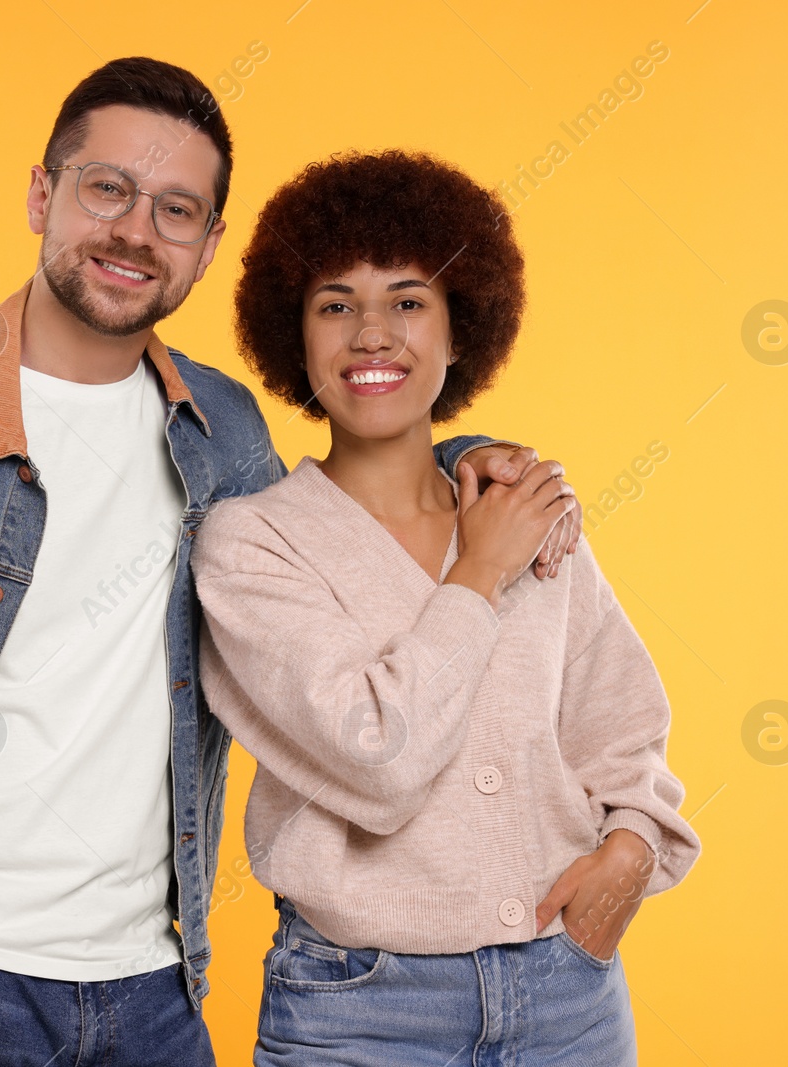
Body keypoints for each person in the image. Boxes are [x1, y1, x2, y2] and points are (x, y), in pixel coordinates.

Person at [0, 61, 580, 1065]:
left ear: (206, 248)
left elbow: (341, 512)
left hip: (152, 993)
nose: (133, 230)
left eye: (175, 209)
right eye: (105, 189)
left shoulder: (223, 431)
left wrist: (468, 464)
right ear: (42, 195)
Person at [191, 149, 702, 1066]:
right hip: (359, 1010)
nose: (372, 332)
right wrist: (478, 574)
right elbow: (376, 755)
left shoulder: (528, 509)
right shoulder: (251, 544)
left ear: (461, 330)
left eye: (409, 300)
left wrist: (631, 848)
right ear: (295, 337)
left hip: (569, 998)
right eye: (335, 303)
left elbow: (620, 725)